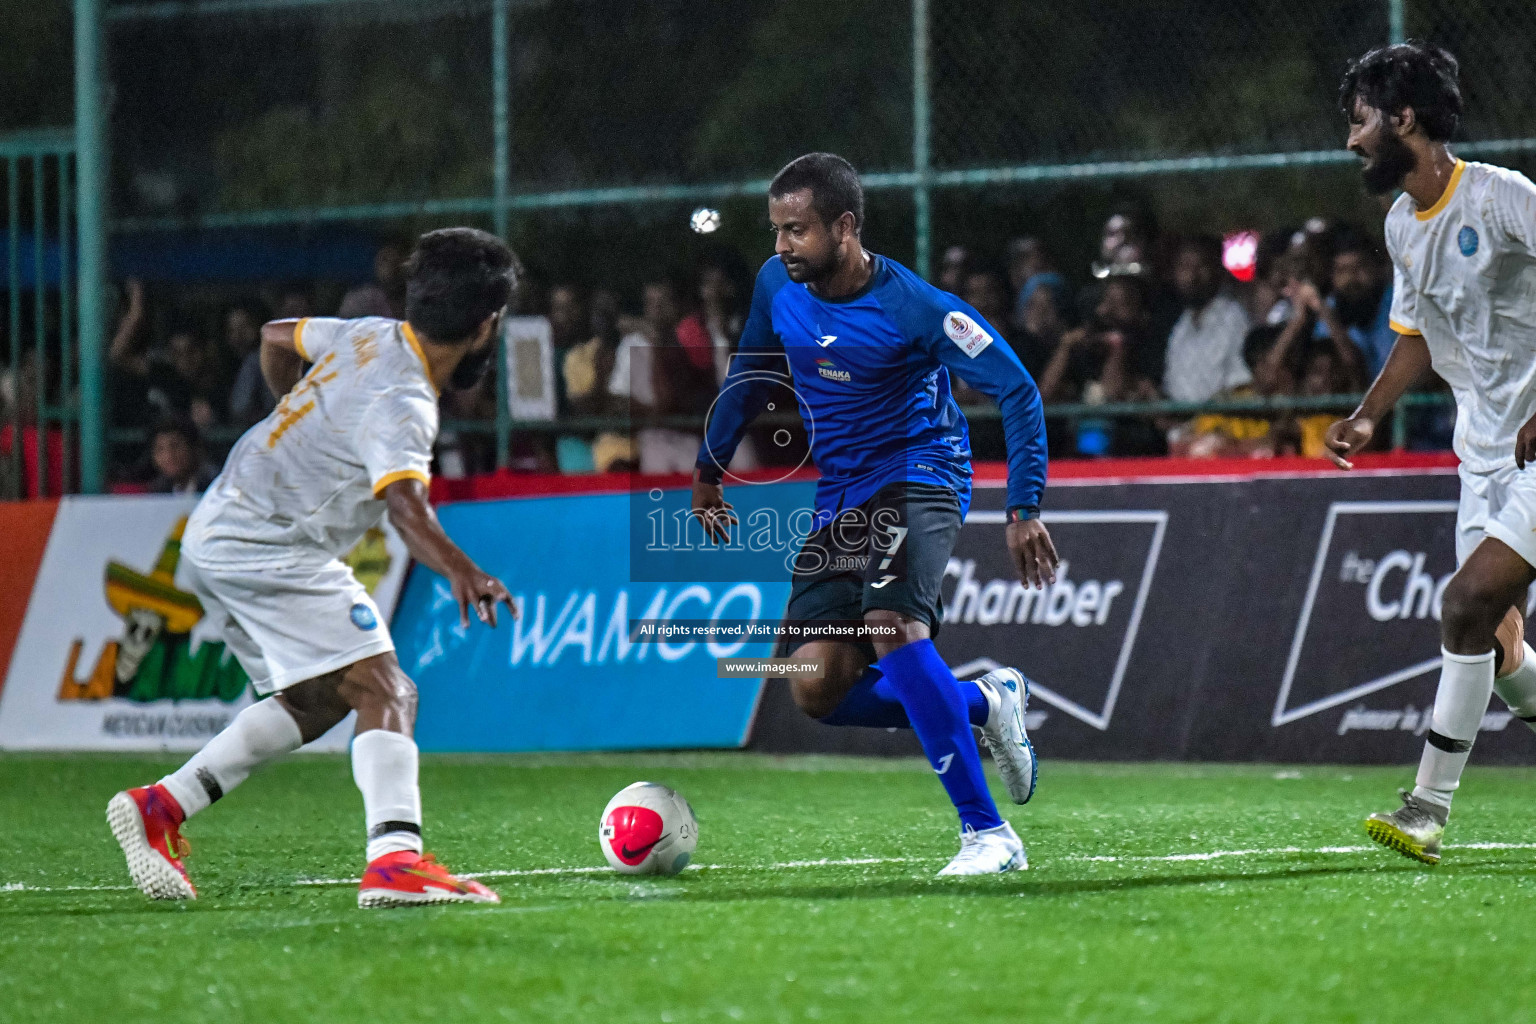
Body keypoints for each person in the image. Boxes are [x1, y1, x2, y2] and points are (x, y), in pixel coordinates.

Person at [106, 228, 520, 908]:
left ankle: (163, 805)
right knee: (389, 690)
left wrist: (294, 411)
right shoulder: (405, 401)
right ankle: (396, 862)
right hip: (269, 542)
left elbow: (274, 336)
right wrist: (463, 570)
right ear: (486, 325)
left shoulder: (368, 334)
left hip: (216, 528)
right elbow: (406, 507)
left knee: (317, 699)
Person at [692, 153, 1058, 876]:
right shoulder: (777, 285)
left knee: (892, 627)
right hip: (843, 494)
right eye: (776, 231)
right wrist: (709, 470)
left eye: (796, 231)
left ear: (845, 226)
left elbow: (1017, 390)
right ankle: (985, 703)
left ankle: (987, 834)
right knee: (816, 685)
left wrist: (1024, 505)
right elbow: (749, 377)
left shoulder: (914, 307)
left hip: (921, 473)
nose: (781, 247)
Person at [1325, 42, 1536, 865]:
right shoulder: (1399, 225)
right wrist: (1369, 414)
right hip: (1484, 453)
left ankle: (1425, 807)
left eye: (1361, 121)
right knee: (1497, 641)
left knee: (1462, 604)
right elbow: (1416, 336)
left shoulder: (1501, 196)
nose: (1352, 141)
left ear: (1402, 119)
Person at [1162, 234, 1251, 404]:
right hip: (1182, 426)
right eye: (1185, 267)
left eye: (1201, 266)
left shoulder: (1232, 318)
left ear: (1218, 270)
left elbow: (1240, 385)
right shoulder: (1180, 327)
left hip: (1219, 425)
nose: (1192, 276)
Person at [146, 417, 218, 494]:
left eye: (175, 446)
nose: (168, 456)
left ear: (194, 448)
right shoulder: (158, 490)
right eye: (159, 449)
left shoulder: (216, 485)